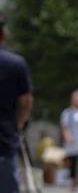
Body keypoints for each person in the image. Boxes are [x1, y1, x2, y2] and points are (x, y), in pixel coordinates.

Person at [0, 11, 34, 193]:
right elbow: (26, 102)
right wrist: (17, 124)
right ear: (3, 35)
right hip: (4, 141)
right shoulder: (16, 64)